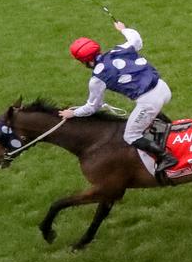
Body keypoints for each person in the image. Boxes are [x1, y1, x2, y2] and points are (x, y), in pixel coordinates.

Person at [60, 20, 176, 175]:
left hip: (150, 101)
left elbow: (92, 107)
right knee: (144, 114)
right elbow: (136, 40)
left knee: (130, 135)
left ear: (83, 61)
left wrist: (73, 113)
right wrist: (123, 29)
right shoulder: (118, 50)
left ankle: (165, 157)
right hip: (164, 88)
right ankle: (170, 127)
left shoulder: (97, 80)